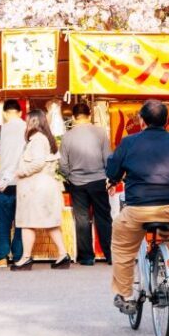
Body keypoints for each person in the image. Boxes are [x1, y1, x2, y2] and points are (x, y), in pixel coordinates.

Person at [106, 99, 169, 315]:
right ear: (166, 121)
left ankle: (126, 296)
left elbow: (112, 171)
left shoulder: (129, 142)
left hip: (138, 209)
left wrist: (115, 178)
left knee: (122, 247)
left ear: (142, 120)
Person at [11, 109, 70, 271]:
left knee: (27, 222)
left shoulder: (37, 140)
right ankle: (63, 255)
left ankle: (26, 258)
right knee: (50, 222)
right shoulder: (46, 139)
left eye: (27, 120)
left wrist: (20, 172)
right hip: (45, 186)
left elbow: (37, 163)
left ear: (33, 122)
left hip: (35, 188)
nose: (26, 123)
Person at [59, 103, 112, 266]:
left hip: (77, 183)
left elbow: (63, 164)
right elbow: (108, 158)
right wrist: (109, 178)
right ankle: (110, 254)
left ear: (73, 117)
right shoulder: (101, 133)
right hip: (98, 181)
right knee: (103, 217)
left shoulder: (67, 136)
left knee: (82, 219)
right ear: (90, 116)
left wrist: (69, 176)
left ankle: (87, 257)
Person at [0, 100, 25, 267]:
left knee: (4, 222)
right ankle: (19, 256)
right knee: (21, 222)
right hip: (23, 181)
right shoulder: (28, 128)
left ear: (4, 113)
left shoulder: (0, 130)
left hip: (4, 183)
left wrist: (3, 153)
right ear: (20, 113)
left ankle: (2, 257)